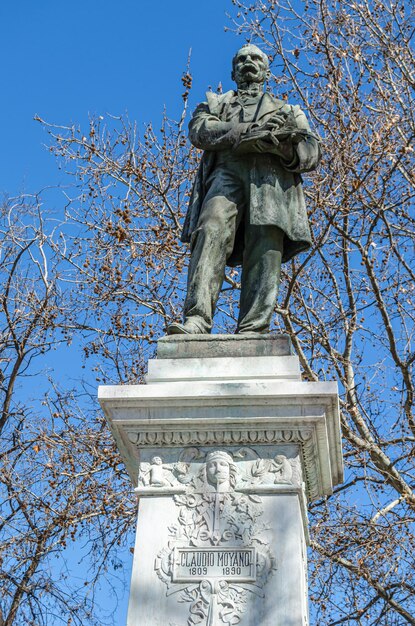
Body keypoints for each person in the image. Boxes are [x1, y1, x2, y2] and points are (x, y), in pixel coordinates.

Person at [168, 44, 321, 335]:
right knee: (210, 228)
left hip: (271, 180)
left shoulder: (288, 110)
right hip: (227, 172)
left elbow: (311, 151)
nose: (248, 62)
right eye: (241, 59)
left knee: (266, 245)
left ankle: (254, 327)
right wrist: (245, 133)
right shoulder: (215, 103)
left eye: (255, 58)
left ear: (266, 69)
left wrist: (283, 146)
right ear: (233, 71)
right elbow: (200, 130)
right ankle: (197, 319)